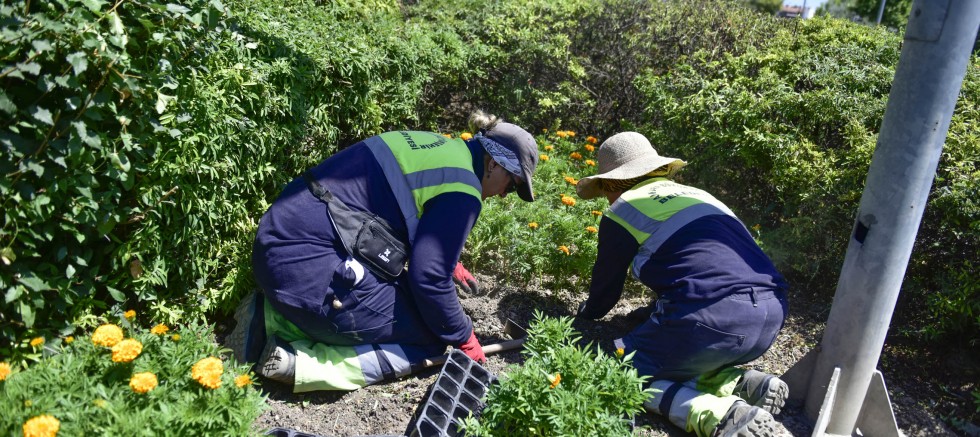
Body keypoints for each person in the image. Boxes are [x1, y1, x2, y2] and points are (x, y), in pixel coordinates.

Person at [228, 110, 539, 392]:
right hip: (306, 271)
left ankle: (271, 312)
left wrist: (447, 257)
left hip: (279, 241)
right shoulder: (464, 190)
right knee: (430, 335)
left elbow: (393, 202)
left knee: (416, 305)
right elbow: (428, 279)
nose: (502, 195)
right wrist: (463, 336)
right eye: (510, 185)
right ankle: (299, 361)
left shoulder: (435, 145)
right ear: (494, 163)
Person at [574, 132, 789, 437]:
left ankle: (723, 415)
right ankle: (743, 383)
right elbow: (707, 268)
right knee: (672, 353)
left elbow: (605, 291)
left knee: (618, 372)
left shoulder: (623, 210)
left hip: (712, 319)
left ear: (611, 183)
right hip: (769, 317)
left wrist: (586, 315)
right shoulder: (700, 196)